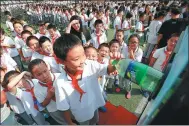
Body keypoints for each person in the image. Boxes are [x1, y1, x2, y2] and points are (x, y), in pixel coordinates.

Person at [53, 33, 121, 125]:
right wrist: (70, 123)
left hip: (94, 105)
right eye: (76, 59)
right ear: (61, 61)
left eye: (83, 55)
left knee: (95, 121)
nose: (82, 61)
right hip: (81, 114)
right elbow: (64, 108)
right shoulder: (60, 83)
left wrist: (114, 64)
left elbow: (107, 69)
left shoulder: (89, 65)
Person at [28, 59, 67, 124]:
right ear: (33, 76)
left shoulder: (60, 76)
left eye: (45, 71)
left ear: (47, 67)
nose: (44, 76)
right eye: (39, 74)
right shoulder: (37, 89)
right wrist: (49, 96)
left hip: (68, 104)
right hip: (55, 110)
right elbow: (43, 105)